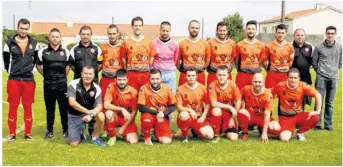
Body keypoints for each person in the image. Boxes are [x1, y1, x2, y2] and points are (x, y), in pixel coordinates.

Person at [3, 18, 40, 142]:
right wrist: (13, 73)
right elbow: (6, 61)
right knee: (13, 106)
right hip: (14, 80)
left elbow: (35, 60)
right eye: (21, 28)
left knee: (27, 106)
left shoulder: (34, 43)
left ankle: (28, 133)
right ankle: (12, 134)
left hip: (29, 80)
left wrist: (29, 71)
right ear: (17, 28)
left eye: (26, 29)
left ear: (28, 29)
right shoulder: (8, 43)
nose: (23, 31)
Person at [69, 25, 102, 137]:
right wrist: (81, 76)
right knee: (79, 105)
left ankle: (92, 129)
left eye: (88, 34)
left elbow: (100, 64)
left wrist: (91, 76)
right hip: (79, 83)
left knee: (92, 105)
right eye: (83, 34)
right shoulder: (74, 49)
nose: (85, 36)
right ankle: (80, 128)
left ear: (91, 35)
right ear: (80, 35)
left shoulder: (97, 48)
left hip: (93, 82)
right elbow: (72, 65)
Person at [272, 68, 322, 141]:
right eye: (291, 77)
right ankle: (283, 128)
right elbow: (269, 95)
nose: (293, 80)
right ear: (287, 77)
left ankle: (300, 132)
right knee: (284, 138)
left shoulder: (302, 86)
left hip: (298, 116)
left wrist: (317, 111)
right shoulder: (280, 85)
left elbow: (318, 95)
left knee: (315, 117)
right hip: (285, 118)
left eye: (295, 78)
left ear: (299, 78)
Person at [36, 28, 69, 139]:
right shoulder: (43, 51)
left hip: (62, 85)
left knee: (63, 109)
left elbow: (68, 65)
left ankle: (66, 130)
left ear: (60, 38)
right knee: (50, 109)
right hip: (48, 84)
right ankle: (49, 131)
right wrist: (45, 75)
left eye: (57, 36)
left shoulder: (65, 51)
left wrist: (64, 77)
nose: (55, 38)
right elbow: (38, 65)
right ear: (49, 37)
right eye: (53, 36)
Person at [312, 26, 342, 131]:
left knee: (330, 102)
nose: (330, 35)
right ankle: (317, 124)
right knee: (319, 100)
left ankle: (328, 124)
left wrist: (334, 70)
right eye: (328, 33)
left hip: (333, 78)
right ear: (325, 34)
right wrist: (320, 72)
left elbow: (340, 62)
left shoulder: (340, 47)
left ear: (335, 34)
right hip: (321, 77)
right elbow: (314, 62)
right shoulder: (319, 47)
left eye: (332, 33)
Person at [67, 66, 105, 147]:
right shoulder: (73, 84)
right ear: (81, 74)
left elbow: (99, 106)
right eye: (86, 73)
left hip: (90, 115)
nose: (88, 76)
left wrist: (91, 115)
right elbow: (72, 102)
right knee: (74, 144)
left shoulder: (97, 88)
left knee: (101, 116)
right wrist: (87, 111)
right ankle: (80, 131)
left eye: (90, 74)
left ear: (93, 75)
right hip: (75, 115)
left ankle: (95, 138)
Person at [237, 73, 281, 142]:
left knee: (276, 129)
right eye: (255, 82)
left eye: (259, 82)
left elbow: (267, 114)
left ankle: (262, 129)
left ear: (263, 82)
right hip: (251, 116)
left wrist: (264, 133)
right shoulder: (245, 89)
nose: (257, 84)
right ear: (252, 81)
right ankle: (244, 132)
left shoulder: (268, 94)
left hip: (262, 117)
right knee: (241, 112)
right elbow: (238, 100)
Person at [99, 24, 125, 137]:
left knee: (118, 103)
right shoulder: (102, 47)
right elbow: (99, 63)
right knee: (106, 104)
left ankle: (121, 125)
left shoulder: (123, 47)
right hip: (105, 79)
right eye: (110, 33)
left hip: (118, 80)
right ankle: (106, 128)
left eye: (114, 33)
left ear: (118, 34)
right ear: (107, 34)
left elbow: (125, 62)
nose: (112, 36)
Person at [152, 21, 179, 128]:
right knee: (156, 99)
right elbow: (152, 58)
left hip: (170, 74)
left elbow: (176, 60)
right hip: (157, 74)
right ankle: (155, 126)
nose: (165, 32)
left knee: (170, 100)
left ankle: (167, 125)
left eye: (167, 31)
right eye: (163, 30)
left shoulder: (175, 44)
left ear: (170, 31)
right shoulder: (153, 42)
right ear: (160, 30)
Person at [138, 69, 176, 145]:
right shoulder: (143, 88)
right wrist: (157, 112)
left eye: (157, 79)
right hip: (149, 115)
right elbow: (141, 108)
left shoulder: (167, 88)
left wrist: (164, 113)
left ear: (161, 78)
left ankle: (155, 134)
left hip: (162, 117)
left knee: (166, 141)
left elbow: (173, 106)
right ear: (149, 78)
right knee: (146, 120)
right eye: (152, 79)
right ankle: (147, 138)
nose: (155, 81)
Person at [176, 67, 214, 143]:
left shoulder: (203, 88)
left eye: (193, 75)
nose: (191, 78)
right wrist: (190, 110)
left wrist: (203, 116)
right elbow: (178, 107)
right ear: (185, 76)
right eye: (189, 75)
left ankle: (195, 131)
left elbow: (207, 104)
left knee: (209, 136)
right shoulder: (180, 89)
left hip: (199, 117)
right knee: (184, 114)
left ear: (196, 76)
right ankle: (185, 136)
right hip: (186, 117)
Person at [104, 69, 139, 145]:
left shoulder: (133, 92)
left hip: (127, 120)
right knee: (108, 113)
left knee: (133, 141)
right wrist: (122, 109)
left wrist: (124, 127)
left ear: (127, 79)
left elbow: (134, 112)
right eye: (119, 80)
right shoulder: (111, 87)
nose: (122, 82)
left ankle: (120, 132)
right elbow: (106, 105)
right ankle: (112, 137)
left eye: (124, 79)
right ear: (115, 79)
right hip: (116, 117)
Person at [208, 65, 242, 143]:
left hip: (229, 116)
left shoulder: (233, 85)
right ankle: (216, 134)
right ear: (216, 75)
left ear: (228, 75)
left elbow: (238, 101)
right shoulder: (212, 85)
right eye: (219, 75)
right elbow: (213, 103)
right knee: (216, 110)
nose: (221, 77)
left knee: (233, 137)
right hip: (217, 114)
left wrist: (233, 118)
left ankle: (225, 130)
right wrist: (229, 107)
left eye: (224, 75)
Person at [123, 16, 155, 91]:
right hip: (131, 75)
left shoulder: (149, 42)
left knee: (144, 98)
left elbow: (152, 58)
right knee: (132, 98)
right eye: (136, 25)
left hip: (145, 75)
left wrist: (146, 69)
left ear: (142, 27)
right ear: (132, 26)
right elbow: (124, 59)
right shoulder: (126, 42)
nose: (138, 27)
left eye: (139, 25)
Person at [176, 20, 210, 86]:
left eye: (197, 28)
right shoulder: (181, 43)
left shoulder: (205, 43)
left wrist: (202, 68)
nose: (194, 30)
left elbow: (208, 59)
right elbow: (177, 59)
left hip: (200, 75)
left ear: (199, 29)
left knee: (200, 95)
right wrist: (180, 69)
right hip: (185, 75)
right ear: (188, 28)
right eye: (192, 28)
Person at [235, 20, 266, 90]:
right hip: (242, 76)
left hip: (255, 77)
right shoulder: (239, 45)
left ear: (256, 31)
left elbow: (261, 60)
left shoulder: (261, 45)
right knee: (241, 98)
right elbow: (236, 61)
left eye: (253, 29)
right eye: (249, 29)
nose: (251, 31)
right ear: (246, 30)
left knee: (254, 99)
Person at [264, 24, 295, 88]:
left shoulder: (290, 46)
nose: (280, 35)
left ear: (285, 34)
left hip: (284, 75)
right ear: (275, 33)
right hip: (272, 75)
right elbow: (264, 61)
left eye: (282, 33)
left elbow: (291, 62)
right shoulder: (269, 46)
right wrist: (269, 70)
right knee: (270, 95)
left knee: (284, 96)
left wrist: (284, 68)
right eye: (279, 33)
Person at [207, 21, 235, 87]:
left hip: (226, 75)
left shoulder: (232, 43)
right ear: (217, 31)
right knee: (211, 95)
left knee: (227, 96)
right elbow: (207, 58)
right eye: (220, 30)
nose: (222, 32)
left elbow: (233, 57)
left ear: (227, 31)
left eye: (224, 30)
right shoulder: (210, 43)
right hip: (213, 74)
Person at [291, 28, 313, 108]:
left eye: (302, 35)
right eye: (298, 35)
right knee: (292, 100)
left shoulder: (309, 47)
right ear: (294, 36)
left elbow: (311, 61)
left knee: (303, 100)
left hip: (305, 78)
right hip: (292, 79)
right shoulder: (290, 46)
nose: (300, 37)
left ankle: (300, 118)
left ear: (304, 36)